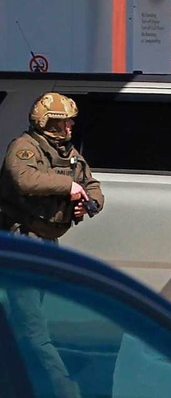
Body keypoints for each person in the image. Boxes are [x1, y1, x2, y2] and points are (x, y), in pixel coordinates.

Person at [0, 92, 104, 398]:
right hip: (21, 244)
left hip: (47, 245)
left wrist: (89, 203)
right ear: (46, 123)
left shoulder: (67, 153)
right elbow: (24, 180)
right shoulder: (25, 148)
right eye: (63, 123)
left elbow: (92, 185)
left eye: (71, 122)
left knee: (33, 321)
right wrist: (67, 186)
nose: (69, 128)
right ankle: (63, 389)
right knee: (33, 328)